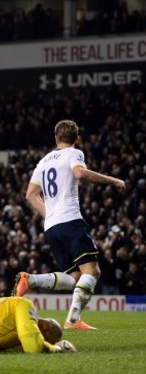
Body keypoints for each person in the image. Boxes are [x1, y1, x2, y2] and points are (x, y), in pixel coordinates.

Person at [14, 119, 126, 330]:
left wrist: (50, 214)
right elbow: (80, 173)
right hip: (70, 220)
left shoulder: (44, 161)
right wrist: (113, 180)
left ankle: (32, 281)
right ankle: (73, 320)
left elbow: (30, 195)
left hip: (52, 226)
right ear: (76, 139)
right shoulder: (74, 153)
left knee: (75, 278)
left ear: (56, 138)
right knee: (92, 272)